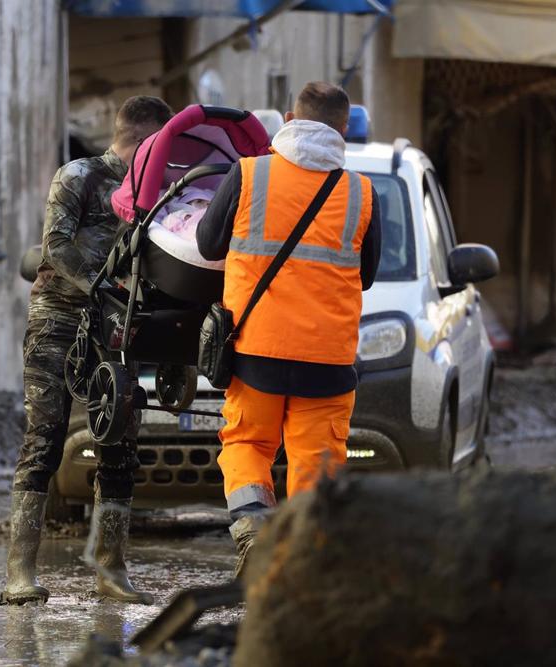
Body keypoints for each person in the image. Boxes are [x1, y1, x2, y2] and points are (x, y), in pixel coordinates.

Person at [196, 82, 381, 576]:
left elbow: (207, 245)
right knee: (316, 465)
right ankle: (301, 570)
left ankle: (255, 529)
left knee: (247, 445)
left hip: (256, 350)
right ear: (343, 130)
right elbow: (367, 274)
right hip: (328, 361)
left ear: (287, 118)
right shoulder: (362, 193)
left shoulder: (249, 175)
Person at [0, 96, 173, 606]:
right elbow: (56, 246)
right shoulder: (78, 176)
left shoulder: (158, 192)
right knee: (46, 436)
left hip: (119, 329)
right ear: (145, 142)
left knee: (120, 446)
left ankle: (111, 568)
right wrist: (103, 287)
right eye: (162, 146)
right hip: (59, 319)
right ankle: (20, 572)